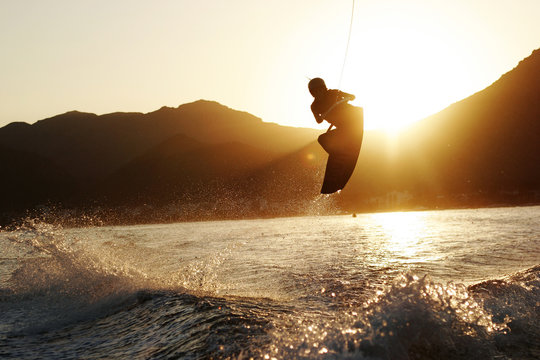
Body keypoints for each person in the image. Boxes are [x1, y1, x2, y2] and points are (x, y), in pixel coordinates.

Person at [308, 77, 363, 155]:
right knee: (322, 139)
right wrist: (320, 117)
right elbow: (318, 121)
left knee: (351, 112)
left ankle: (348, 141)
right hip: (342, 127)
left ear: (324, 89)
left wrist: (349, 96)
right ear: (312, 93)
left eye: (320, 90)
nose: (318, 93)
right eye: (315, 92)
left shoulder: (333, 92)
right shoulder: (314, 106)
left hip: (353, 118)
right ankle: (338, 154)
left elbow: (352, 97)